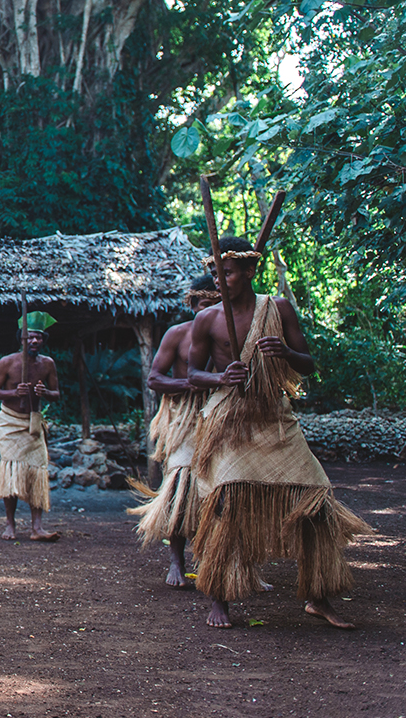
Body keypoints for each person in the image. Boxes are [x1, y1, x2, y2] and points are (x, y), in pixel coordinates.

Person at [187, 236, 371, 629]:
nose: (220, 280)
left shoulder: (278, 308)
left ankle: (319, 596)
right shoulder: (207, 319)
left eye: (229, 272)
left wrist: (286, 354)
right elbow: (191, 374)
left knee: (315, 500)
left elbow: (309, 365)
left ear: (250, 270)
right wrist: (221, 375)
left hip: (275, 417)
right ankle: (219, 597)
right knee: (226, 504)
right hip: (229, 420)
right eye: (216, 273)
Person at [129, 275, 219, 586]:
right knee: (182, 488)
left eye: (216, 305)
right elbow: (154, 379)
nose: (209, 311)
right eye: (204, 305)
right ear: (193, 305)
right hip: (184, 417)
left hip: (222, 415)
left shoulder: (232, 336)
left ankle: (224, 562)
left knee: (225, 490)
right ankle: (177, 561)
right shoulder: (177, 335)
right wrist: (189, 384)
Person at [0, 313, 62, 541]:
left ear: (43, 340)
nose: (34, 341)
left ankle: (37, 528)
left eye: (38, 338)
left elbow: (57, 394)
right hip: (10, 422)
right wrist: (13, 392)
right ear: (21, 339)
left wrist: (45, 393)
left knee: (37, 471)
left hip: (33, 422)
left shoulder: (48, 364)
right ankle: (10, 525)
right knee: (12, 470)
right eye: (30, 337)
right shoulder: (7, 363)